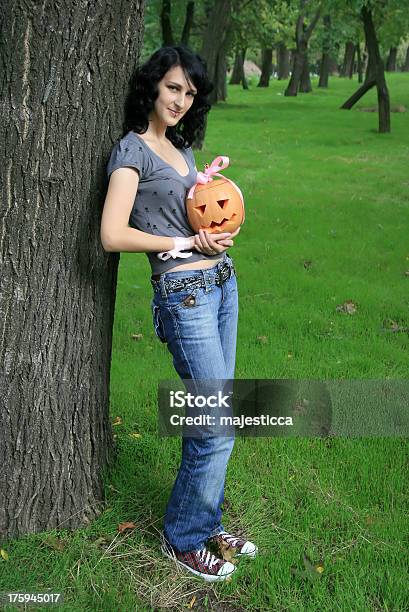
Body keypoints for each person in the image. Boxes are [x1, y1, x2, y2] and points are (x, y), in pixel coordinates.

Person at [101, 45, 257, 582]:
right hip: (183, 298)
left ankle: (204, 521)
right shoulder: (133, 152)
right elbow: (113, 233)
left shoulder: (182, 150)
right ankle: (184, 539)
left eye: (189, 93)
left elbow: (191, 220)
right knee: (215, 426)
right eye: (173, 88)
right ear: (153, 87)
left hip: (219, 284)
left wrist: (211, 240)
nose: (181, 100)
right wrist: (183, 240)